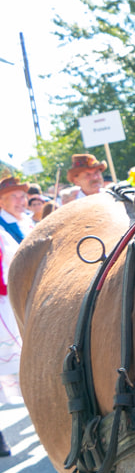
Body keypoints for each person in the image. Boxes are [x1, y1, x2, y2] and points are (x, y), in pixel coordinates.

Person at [0, 177, 35, 457]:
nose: (22, 201)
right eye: (15, 196)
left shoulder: (26, 223)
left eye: (24, 196)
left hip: (24, 301)